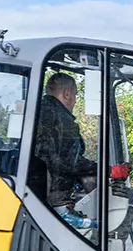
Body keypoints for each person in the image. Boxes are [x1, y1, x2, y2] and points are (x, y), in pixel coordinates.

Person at [27, 72, 97, 208]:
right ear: (67, 93)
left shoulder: (34, 111)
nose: (75, 100)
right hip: (55, 195)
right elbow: (71, 163)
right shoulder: (62, 120)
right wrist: (108, 170)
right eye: (75, 95)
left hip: (34, 191)